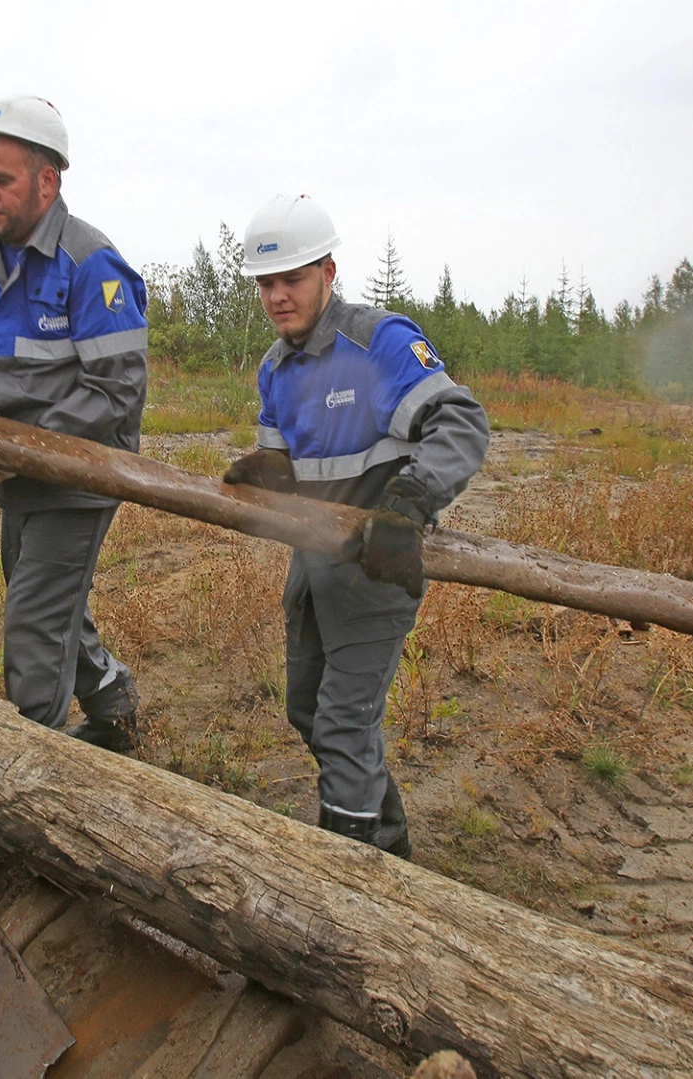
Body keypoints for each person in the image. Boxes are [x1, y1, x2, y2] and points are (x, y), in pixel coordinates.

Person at [221, 194, 489, 857]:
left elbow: (461, 423)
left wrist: (408, 506)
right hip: (310, 576)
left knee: (342, 726)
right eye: (266, 282)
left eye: (293, 278)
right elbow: (292, 463)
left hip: (374, 576)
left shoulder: (379, 342)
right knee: (307, 709)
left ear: (328, 272)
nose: (278, 295)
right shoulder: (276, 368)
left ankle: (354, 874)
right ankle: (388, 839)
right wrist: (267, 470)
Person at [0, 96, 148, 749]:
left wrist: (25, 445)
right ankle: (113, 702)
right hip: (16, 469)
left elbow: (117, 390)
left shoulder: (93, 265)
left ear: (47, 180)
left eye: (1, 180)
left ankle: (39, 768)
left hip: (82, 475)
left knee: (33, 622)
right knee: (47, 600)